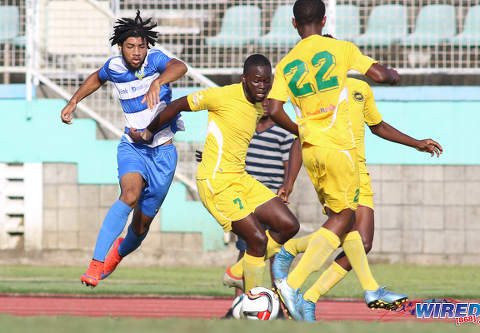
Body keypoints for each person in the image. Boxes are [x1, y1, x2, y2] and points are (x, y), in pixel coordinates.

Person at [266, 0, 407, 321]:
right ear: (325, 20)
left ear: (293, 24)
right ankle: (293, 283)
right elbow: (380, 75)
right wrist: (392, 74)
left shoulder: (287, 63)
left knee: (344, 221)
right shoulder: (341, 49)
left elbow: (273, 110)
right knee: (344, 217)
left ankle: (370, 287)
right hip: (339, 148)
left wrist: (302, 130)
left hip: (313, 151)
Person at [129, 54, 300, 294]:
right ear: (244, 80)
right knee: (257, 240)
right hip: (216, 183)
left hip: (240, 178)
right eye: (257, 81)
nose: (262, 87)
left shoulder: (262, 104)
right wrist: (148, 132)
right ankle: (251, 303)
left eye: (266, 82)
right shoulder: (222, 95)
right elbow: (178, 105)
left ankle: (237, 273)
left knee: (288, 225)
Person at [276, 76, 443, 321]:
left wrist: (416, 143)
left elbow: (377, 126)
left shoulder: (359, 89)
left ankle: (308, 291)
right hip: (333, 167)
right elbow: (302, 136)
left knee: (363, 243)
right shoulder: (316, 91)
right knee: (345, 223)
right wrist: (288, 182)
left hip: (359, 170)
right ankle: (306, 285)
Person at [60, 10, 188, 287]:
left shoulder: (156, 62)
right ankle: (95, 264)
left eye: (141, 46)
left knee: (140, 229)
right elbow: (97, 77)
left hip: (163, 153)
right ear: (121, 47)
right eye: (131, 46)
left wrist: (158, 81)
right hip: (133, 148)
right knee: (129, 194)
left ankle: (117, 254)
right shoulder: (115, 67)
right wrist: (73, 102)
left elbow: (180, 67)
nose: (137, 52)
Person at [216, 99, 294, 318]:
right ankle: (239, 306)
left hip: (269, 201)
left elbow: (289, 164)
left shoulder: (282, 132)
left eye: (271, 101)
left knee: (274, 259)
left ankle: (278, 309)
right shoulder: (246, 128)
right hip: (245, 199)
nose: (267, 104)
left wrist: (285, 187)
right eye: (263, 100)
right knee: (245, 251)